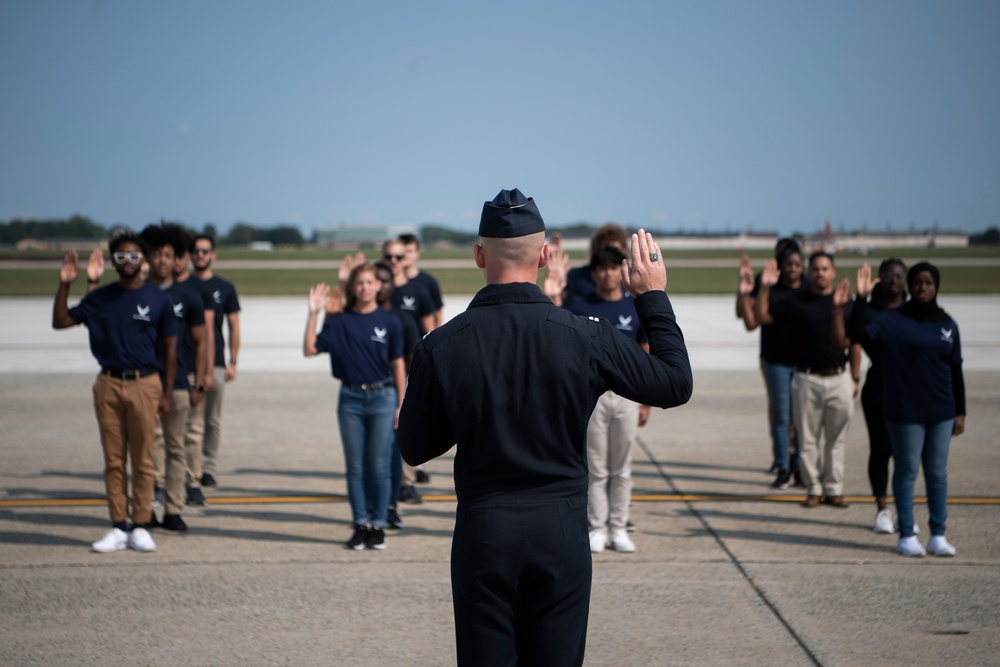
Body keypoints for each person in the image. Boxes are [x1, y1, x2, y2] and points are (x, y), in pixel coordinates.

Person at [397, 188, 693, 667]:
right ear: (545, 255)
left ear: (479, 255)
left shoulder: (443, 346)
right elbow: (675, 383)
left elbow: (413, 448)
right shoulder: (587, 336)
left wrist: (471, 407)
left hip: (484, 531)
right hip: (560, 530)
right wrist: (653, 296)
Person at [52, 228, 178, 553]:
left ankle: (140, 525)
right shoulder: (100, 298)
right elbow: (61, 321)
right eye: (121, 256)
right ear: (113, 261)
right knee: (113, 460)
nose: (128, 261)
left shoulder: (158, 299)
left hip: (145, 383)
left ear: (144, 260)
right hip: (108, 383)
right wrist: (65, 284)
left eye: (134, 255)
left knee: (144, 460)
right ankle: (118, 526)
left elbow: (170, 348)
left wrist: (165, 392)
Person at [841, 262, 965, 557]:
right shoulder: (893, 320)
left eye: (929, 283)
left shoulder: (947, 324)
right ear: (911, 286)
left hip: (941, 410)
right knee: (907, 471)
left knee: (937, 474)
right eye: (918, 283)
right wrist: (860, 300)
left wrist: (960, 410)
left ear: (936, 287)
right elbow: (857, 334)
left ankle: (938, 534)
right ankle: (907, 534)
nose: (923, 288)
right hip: (905, 409)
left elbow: (956, 369)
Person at [303, 263, 406, 550]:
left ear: (378, 286)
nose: (364, 287)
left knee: (380, 464)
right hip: (350, 400)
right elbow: (310, 349)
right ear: (353, 287)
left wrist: (401, 403)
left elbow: (398, 364)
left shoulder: (390, 322)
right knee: (356, 467)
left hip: (382, 398)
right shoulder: (339, 321)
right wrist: (314, 313)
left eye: (369, 282)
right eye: (359, 283)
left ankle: (379, 525)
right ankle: (360, 523)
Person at [755, 252, 860, 508]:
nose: (820, 273)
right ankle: (813, 488)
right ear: (808, 272)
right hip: (806, 378)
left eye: (825, 269)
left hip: (838, 377)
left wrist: (855, 377)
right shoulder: (796, 301)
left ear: (833, 272)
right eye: (815, 269)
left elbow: (855, 342)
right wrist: (765, 289)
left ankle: (833, 488)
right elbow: (762, 317)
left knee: (836, 439)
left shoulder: (846, 302)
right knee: (808, 438)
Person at [566, 245, 650, 553]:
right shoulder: (578, 306)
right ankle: (597, 527)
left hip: (627, 395)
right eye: (602, 268)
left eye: (614, 268)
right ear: (594, 273)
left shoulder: (633, 307)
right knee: (597, 468)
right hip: (593, 397)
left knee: (621, 467)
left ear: (622, 271)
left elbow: (644, 351)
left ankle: (619, 528)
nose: (608, 274)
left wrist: (646, 400)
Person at [831, 258, 908, 533]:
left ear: (905, 280)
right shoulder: (871, 310)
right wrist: (860, 299)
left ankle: (905, 510)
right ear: (879, 279)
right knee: (880, 449)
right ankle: (882, 509)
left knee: (906, 454)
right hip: (879, 386)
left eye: (899, 275)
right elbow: (851, 337)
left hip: (908, 388)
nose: (893, 280)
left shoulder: (912, 311)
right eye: (887, 275)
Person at [141, 224, 208, 531]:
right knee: (147, 447)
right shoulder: (138, 293)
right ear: (148, 258)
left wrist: (200, 379)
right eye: (157, 255)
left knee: (175, 446)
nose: (163, 261)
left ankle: (173, 507)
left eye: (169, 255)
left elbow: (201, 341)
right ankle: (148, 506)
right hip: (143, 382)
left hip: (180, 381)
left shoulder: (188, 296)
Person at [737, 242, 809, 489]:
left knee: (800, 418)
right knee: (781, 416)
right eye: (787, 262)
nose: (791, 268)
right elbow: (752, 320)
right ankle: (783, 465)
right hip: (775, 359)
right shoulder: (768, 284)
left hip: (803, 362)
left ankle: (799, 466)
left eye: (797, 264)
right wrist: (750, 289)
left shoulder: (809, 287)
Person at [192, 234, 241, 487]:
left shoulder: (225, 287)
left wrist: (233, 361)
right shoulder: (184, 286)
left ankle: (208, 467)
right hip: (187, 363)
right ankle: (189, 467)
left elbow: (234, 326)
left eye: (205, 251)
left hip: (217, 362)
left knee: (212, 419)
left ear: (213, 254)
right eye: (196, 251)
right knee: (190, 421)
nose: (200, 255)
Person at [399, 233, 444, 329]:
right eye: (402, 252)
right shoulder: (390, 283)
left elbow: (438, 314)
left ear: (417, 253)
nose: (405, 255)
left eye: (409, 251)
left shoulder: (429, 282)